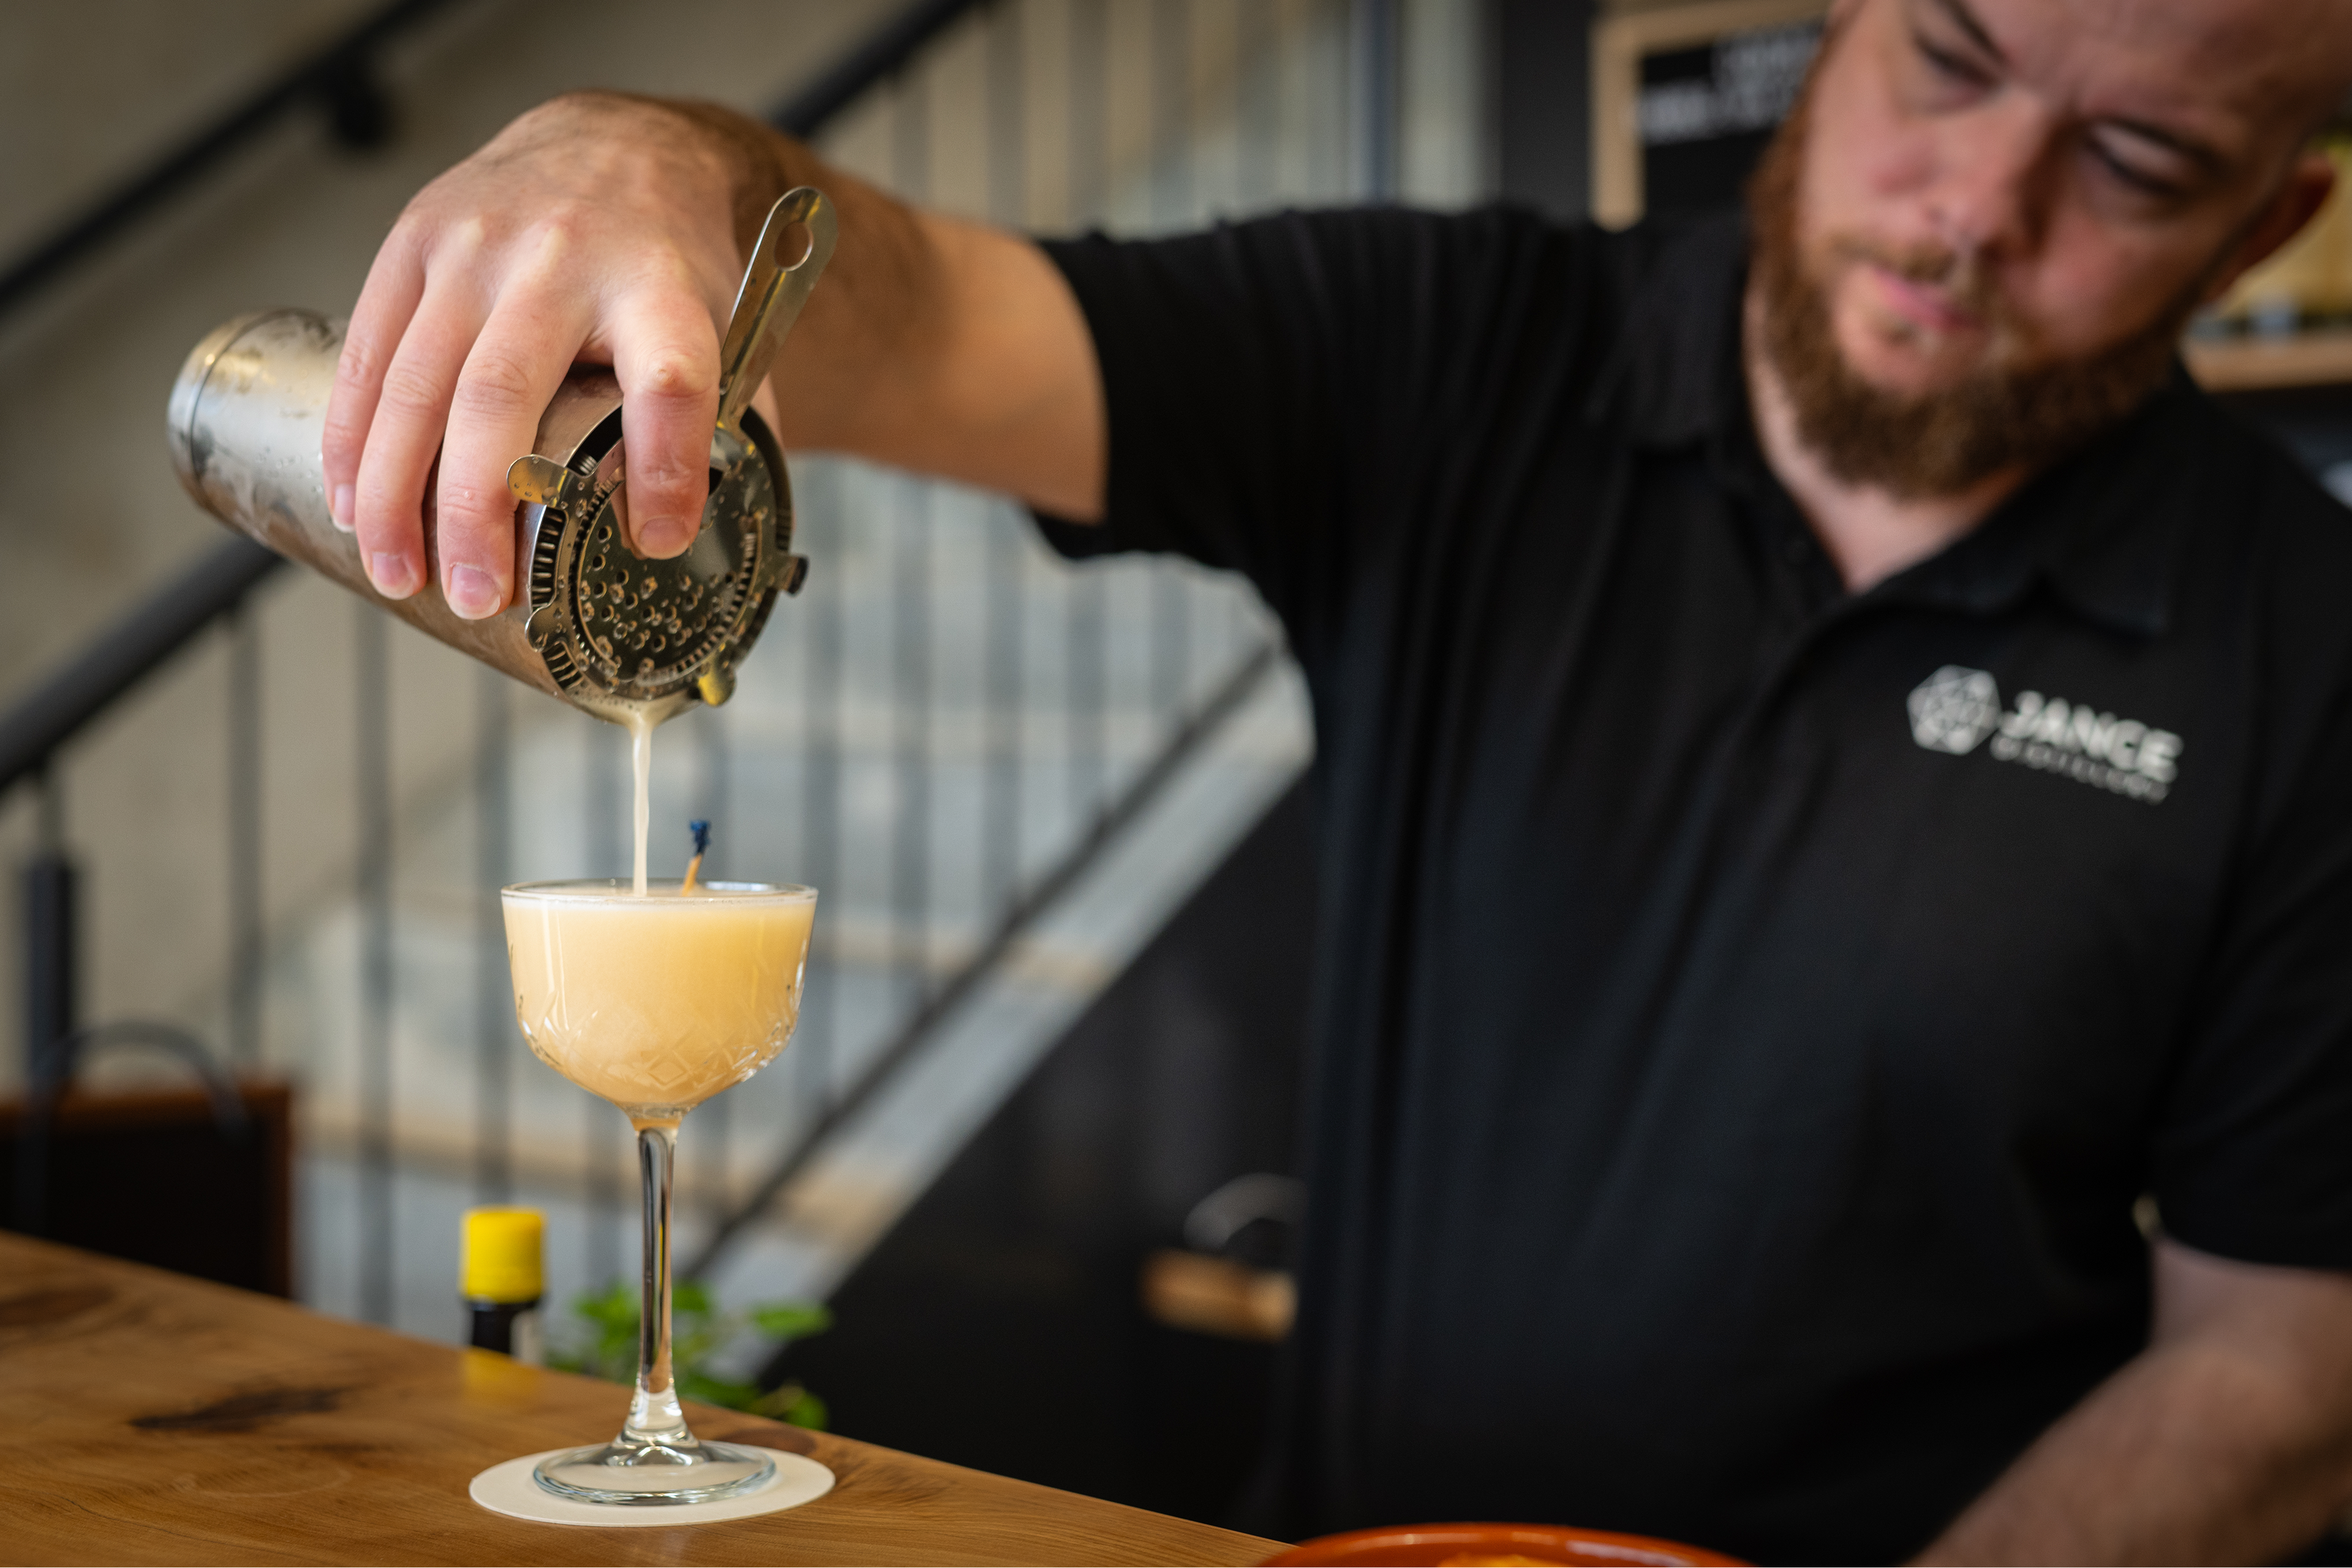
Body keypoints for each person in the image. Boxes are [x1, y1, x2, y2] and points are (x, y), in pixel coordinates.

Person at [323, 0, 2352, 1562]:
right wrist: (654, 165)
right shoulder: (1452, 349)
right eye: (1954, 57)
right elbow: (922, 322)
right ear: (1837, 23)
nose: (1980, 203)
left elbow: (2283, 1368)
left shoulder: (2304, 640)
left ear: (2273, 216)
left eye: (2144, 160)